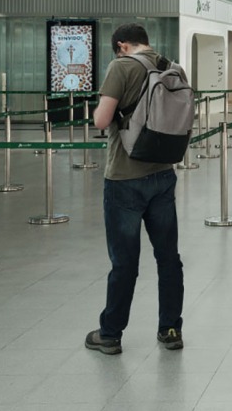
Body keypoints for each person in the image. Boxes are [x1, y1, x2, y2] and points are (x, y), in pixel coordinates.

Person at [85, 24, 184, 354]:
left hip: (125, 177)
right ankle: (170, 329)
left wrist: (98, 110)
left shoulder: (121, 66)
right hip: (163, 172)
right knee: (168, 257)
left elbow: (101, 120)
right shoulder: (171, 66)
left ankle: (110, 334)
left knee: (124, 261)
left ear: (121, 45)